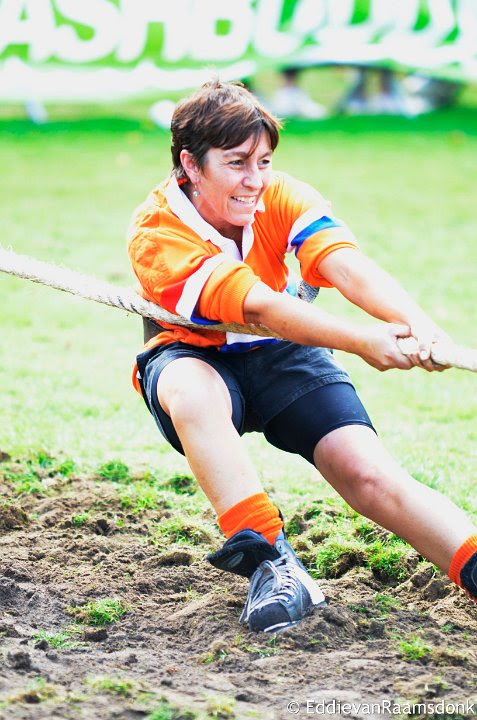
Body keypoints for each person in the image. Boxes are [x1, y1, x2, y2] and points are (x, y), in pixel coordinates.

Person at [127, 79, 477, 634]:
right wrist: (363, 341)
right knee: (192, 391)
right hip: (192, 355)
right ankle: (271, 562)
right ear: (190, 165)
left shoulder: (281, 195)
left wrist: (419, 325)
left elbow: (345, 265)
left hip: (284, 355)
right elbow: (260, 307)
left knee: (367, 473)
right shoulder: (156, 232)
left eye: (264, 161)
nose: (255, 180)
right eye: (237, 163)